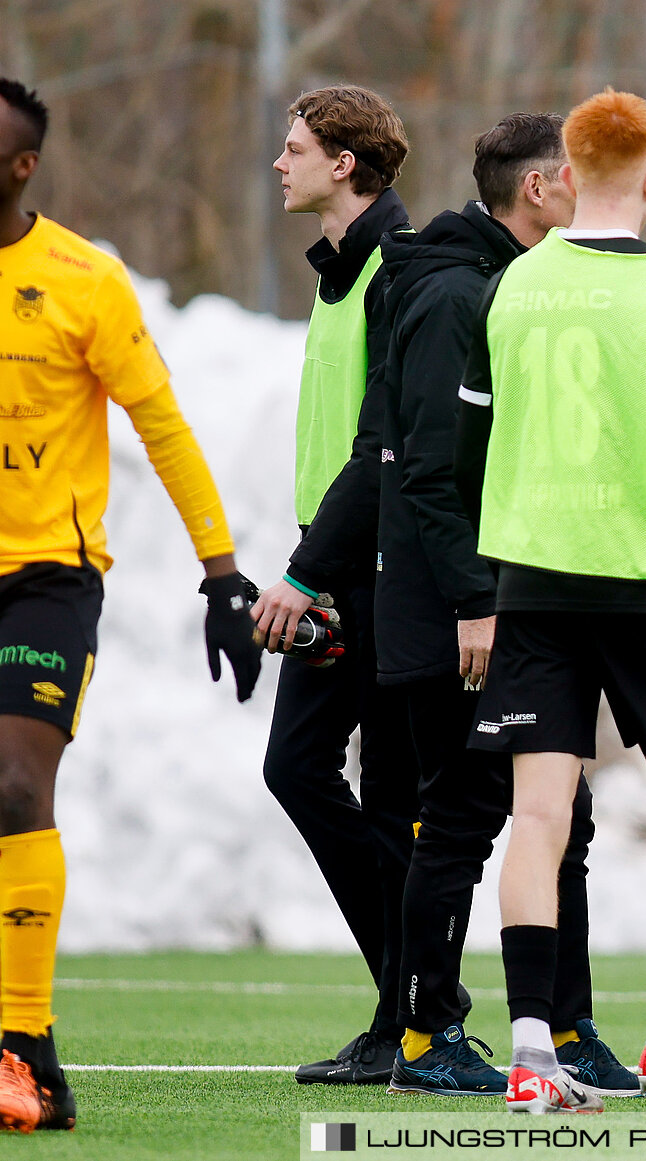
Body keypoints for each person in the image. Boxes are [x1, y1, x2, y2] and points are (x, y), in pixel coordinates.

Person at [455, 87, 646, 1116]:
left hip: (533, 580)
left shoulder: (517, 282)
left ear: (567, 177)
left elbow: (470, 444)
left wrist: (489, 577)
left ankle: (531, 1049)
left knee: (537, 813)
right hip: (639, 586)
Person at [0, 77, 261, 1133]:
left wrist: (221, 572)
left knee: (14, 784)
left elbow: (163, 428)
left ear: (22, 166)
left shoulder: (81, 280)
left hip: (46, 581)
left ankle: (23, 1045)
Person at [377, 112, 637, 1100]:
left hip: (529, 606)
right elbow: (435, 474)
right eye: (584, 180)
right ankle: (423, 1039)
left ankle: (567, 1031)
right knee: (467, 816)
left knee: (558, 812)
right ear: (540, 188)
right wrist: (473, 605)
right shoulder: (455, 294)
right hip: (468, 615)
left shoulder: (524, 288)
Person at [251, 84, 421, 1085]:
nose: (280, 163)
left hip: (366, 574)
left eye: (296, 148)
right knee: (353, 785)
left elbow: (384, 447)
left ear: (344, 163)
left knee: (317, 772)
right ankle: (408, 1007)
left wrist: (307, 573)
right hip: (332, 562)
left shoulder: (395, 271)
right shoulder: (338, 274)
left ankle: (419, 1000)